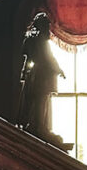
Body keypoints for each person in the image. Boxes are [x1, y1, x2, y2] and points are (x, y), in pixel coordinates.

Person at [17, 12, 67, 144]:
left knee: (36, 100)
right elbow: (49, 58)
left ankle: (36, 126)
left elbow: (26, 58)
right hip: (43, 75)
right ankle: (40, 127)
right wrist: (59, 70)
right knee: (41, 101)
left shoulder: (31, 40)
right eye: (46, 26)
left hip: (34, 74)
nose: (48, 29)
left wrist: (24, 72)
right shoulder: (41, 41)